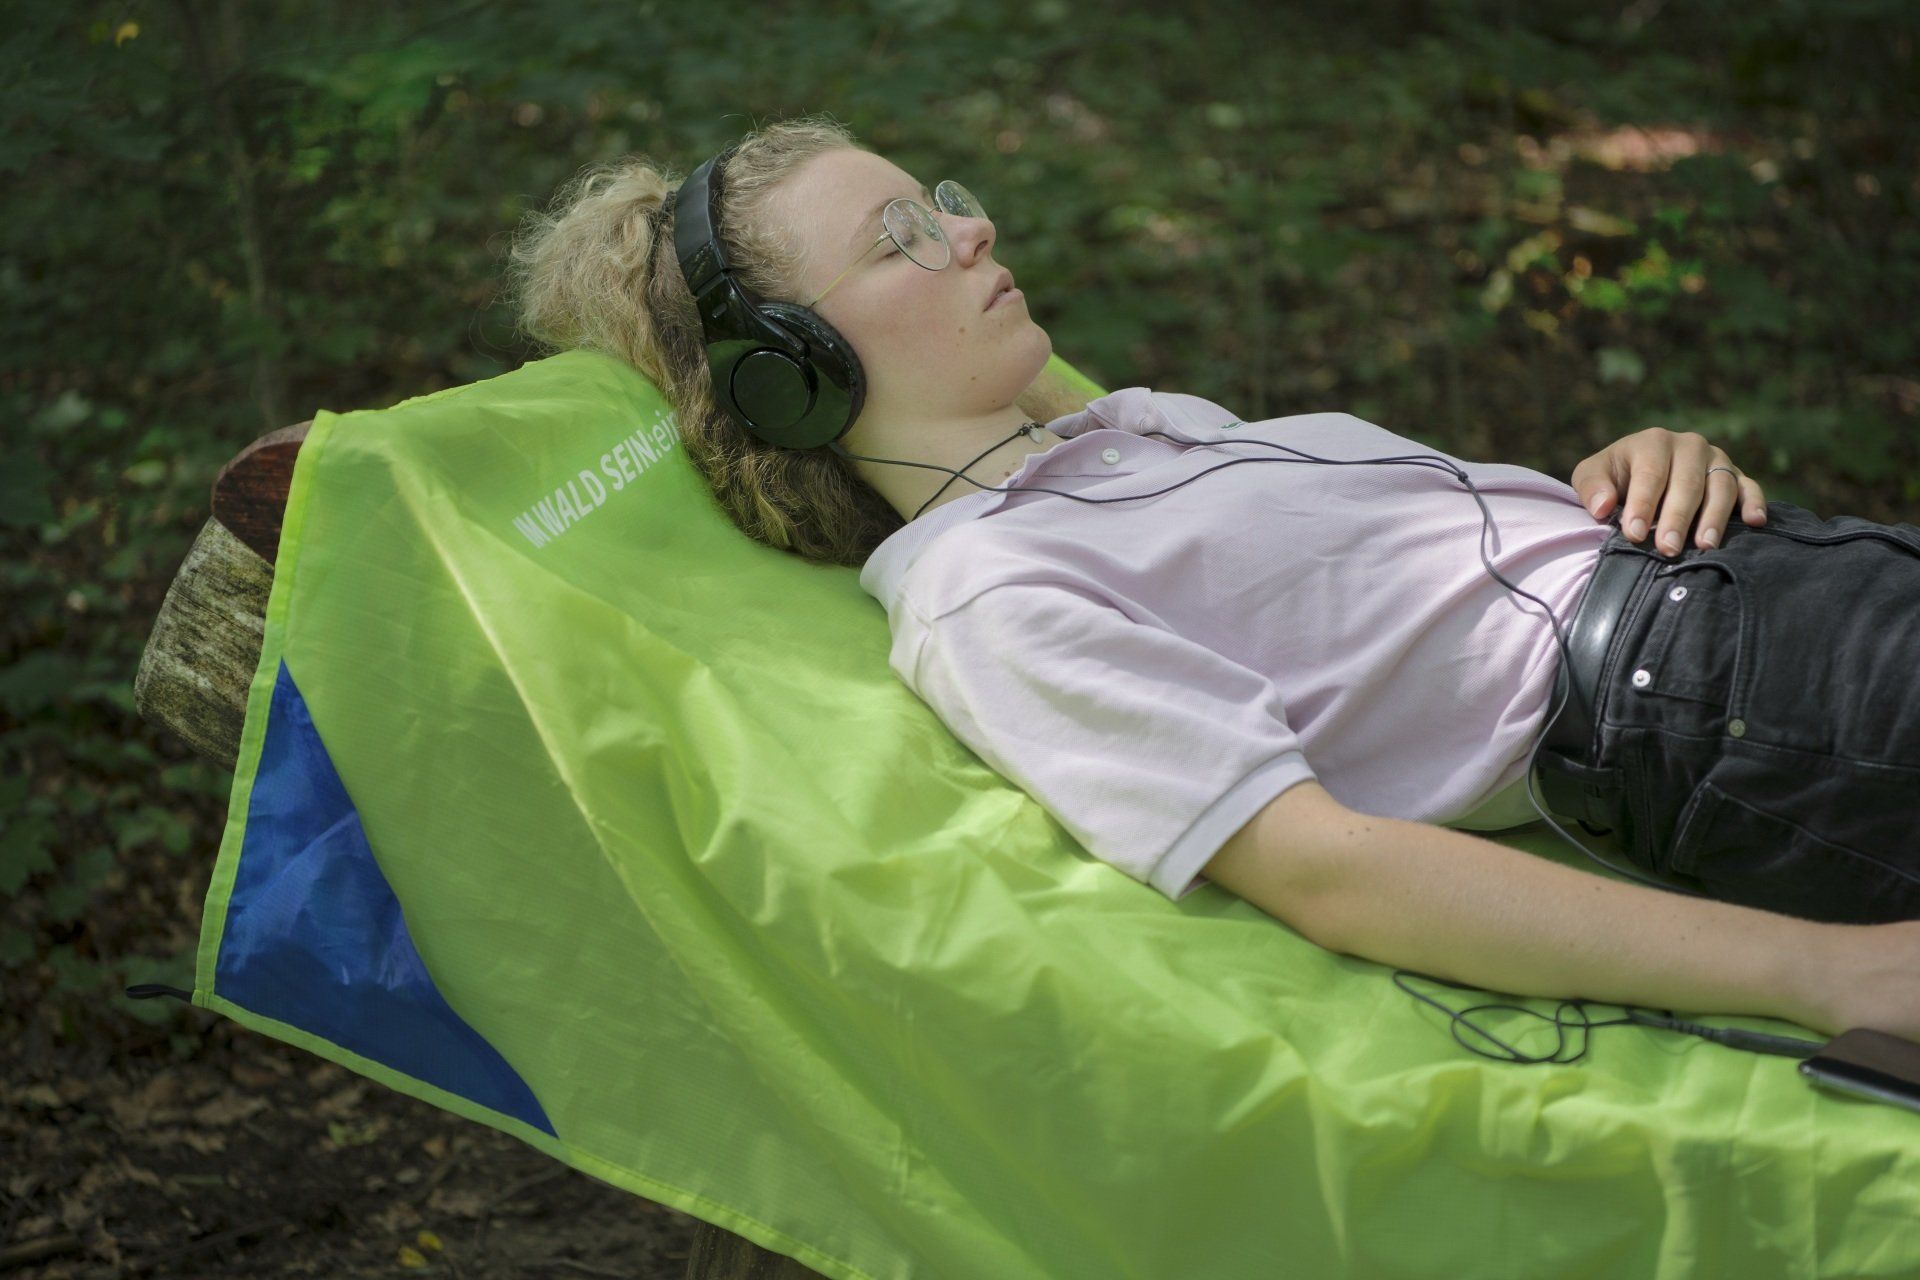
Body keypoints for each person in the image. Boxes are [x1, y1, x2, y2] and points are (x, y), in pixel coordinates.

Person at [504, 113, 1920, 1042]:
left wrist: (1636, 471)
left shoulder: (1139, 429)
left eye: (941, 204)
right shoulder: (987, 593)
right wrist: (1822, 975)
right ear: (794, 374)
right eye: (900, 240)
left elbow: (1423, 585)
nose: (972, 231)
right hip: (1730, 713)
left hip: (1768, 593)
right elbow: (1326, 870)